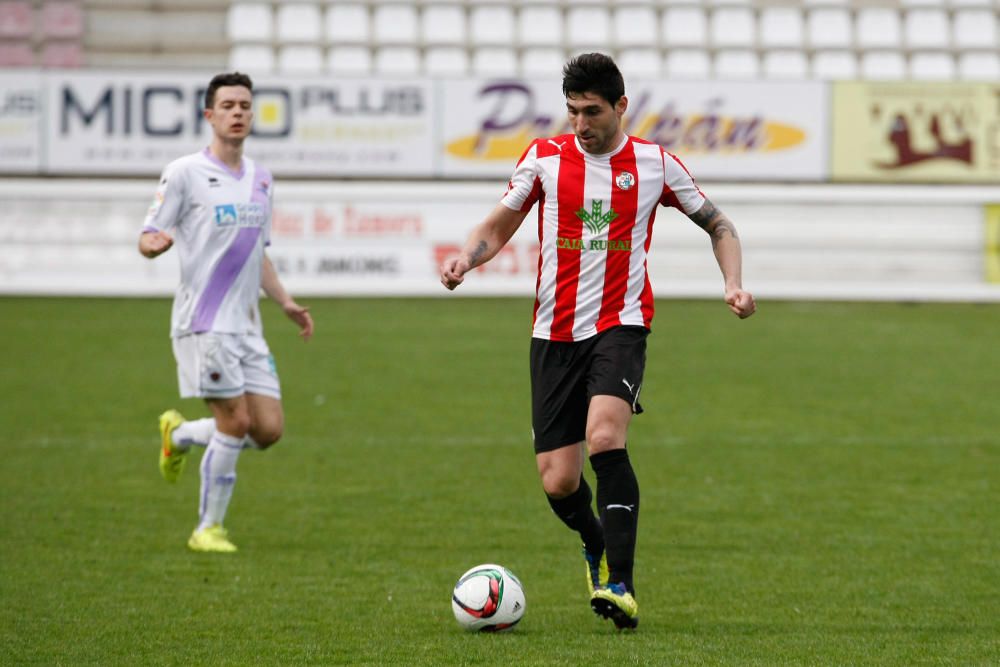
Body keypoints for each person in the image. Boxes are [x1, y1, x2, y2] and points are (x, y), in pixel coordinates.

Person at [439, 53, 756, 629]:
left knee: (605, 437)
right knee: (559, 479)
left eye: (591, 111)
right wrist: (468, 257)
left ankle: (622, 585)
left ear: (620, 107)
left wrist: (732, 283)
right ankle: (595, 543)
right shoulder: (545, 158)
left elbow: (719, 224)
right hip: (552, 333)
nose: (580, 124)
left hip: (621, 324)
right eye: (572, 112)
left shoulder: (657, 164)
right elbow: (497, 227)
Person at [139, 72, 314, 553]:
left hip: (248, 327)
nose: (238, 112)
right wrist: (154, 245)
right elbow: (148, 233)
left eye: (245, 105)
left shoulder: (261, 178)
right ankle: (207, 530)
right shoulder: (184, 173)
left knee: (268, 430)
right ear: (209, 115)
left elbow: (257, 253)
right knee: (234, 422)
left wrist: (286, 303)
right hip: (204, 322)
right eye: (228, 105)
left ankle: (179, 434)